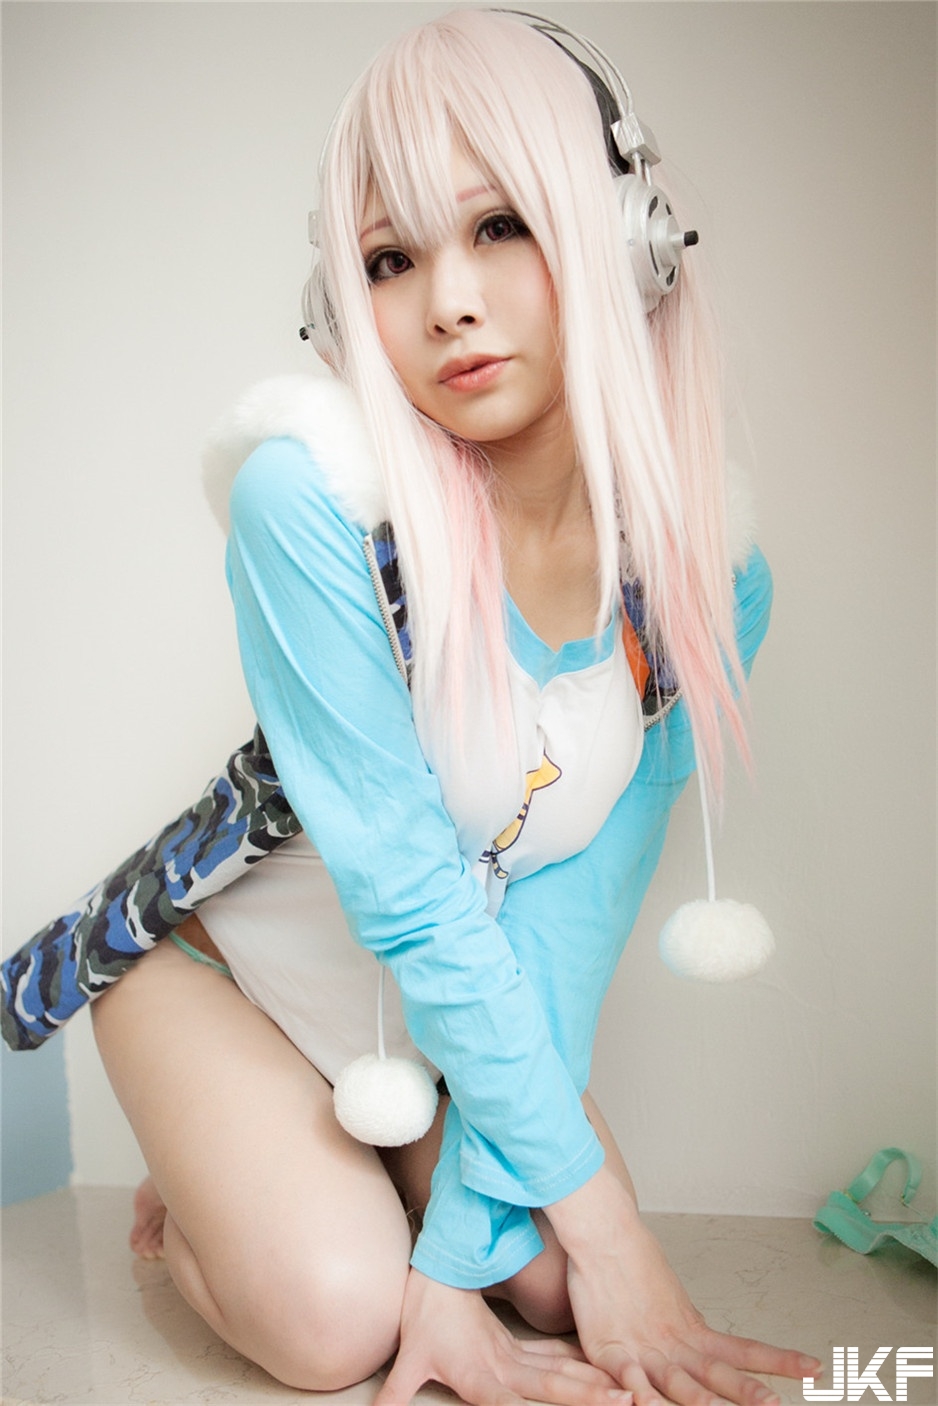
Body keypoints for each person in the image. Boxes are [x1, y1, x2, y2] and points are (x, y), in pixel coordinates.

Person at [2, 10, 821, 1404]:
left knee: (543, 1289)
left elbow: (571, 918)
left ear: (626, 238)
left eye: (500, 226)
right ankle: (219, 1169)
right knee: (337, 1323)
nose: (446, 301)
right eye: (389, 259)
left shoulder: (701, 584)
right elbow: (401, 887)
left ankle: (313, 1177)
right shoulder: (311, 502)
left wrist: (456, 1263)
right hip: (225, 977)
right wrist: (607, 1228)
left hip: (443, 1015)